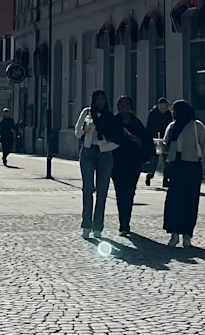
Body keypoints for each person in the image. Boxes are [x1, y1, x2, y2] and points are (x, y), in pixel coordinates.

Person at [74, 90, 125, 240]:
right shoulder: (87, 113)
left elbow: (118, 140)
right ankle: (86, 225)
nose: (100, 102)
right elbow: (78, 133)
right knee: (87, 189)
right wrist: (86, 128)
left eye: (103, 99)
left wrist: (104, 146)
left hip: (105, 154)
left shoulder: (110, 117)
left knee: (102, 191)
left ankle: (98, 226)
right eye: (97, 99)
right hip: (88, 152)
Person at [162, 99, 205, 248]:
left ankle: (187, 234)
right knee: (173, 201)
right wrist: (160, 146)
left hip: (192, 167)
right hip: (176, 166)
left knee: (190, 202)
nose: (173, 114)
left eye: (175, 111)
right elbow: (166, 145)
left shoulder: (197, 126)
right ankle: (174, 233)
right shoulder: (172, 127)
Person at [112, 97, 151, 236]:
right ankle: (123, 223)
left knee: (129, 193)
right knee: (120, 193)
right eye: (122, 104)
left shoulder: (136, 122)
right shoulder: (114, 121)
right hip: (117, 164)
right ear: (118, 106)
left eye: (127, 104)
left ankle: (125, 223)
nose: (124, 107)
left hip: (133, 164)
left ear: (131, 107)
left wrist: (138, 142)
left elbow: (147, 142)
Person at [145, 97, 173, 187]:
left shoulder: (168, 114)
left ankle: (166, 179)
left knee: (167, 160)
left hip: (165, 139)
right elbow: (149, 127)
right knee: (154, 159)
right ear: (159, 106)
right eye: (163, 106)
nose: (164, 108)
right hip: (154, 139)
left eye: (166, 106)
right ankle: (150, 175)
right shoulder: (153, 114)